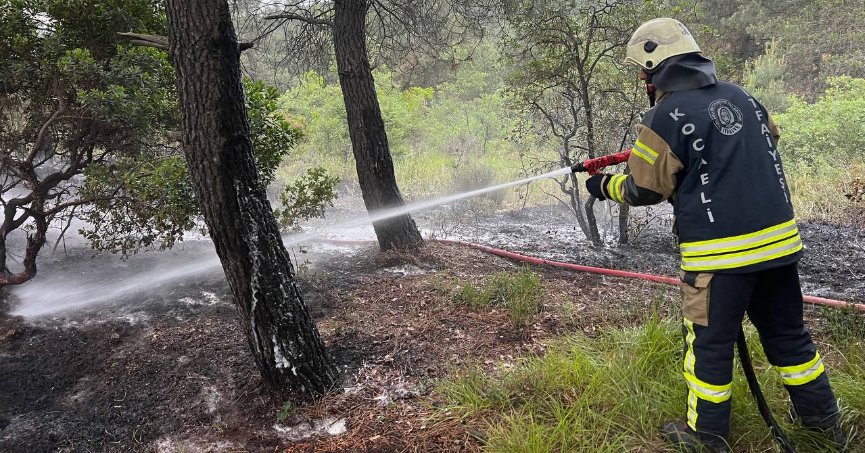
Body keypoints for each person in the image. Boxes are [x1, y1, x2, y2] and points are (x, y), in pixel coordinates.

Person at [585, 17, 846, 453]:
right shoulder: (744, 97)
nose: (643, 81)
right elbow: (759, 146)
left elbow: (643, 189)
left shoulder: (663, 116)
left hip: (718, 260)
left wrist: (601, 185)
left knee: (709, 347)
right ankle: (824, 426)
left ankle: (705, 437)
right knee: (789, 336)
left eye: (643, 73)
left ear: (655, 68)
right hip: (780, 247)